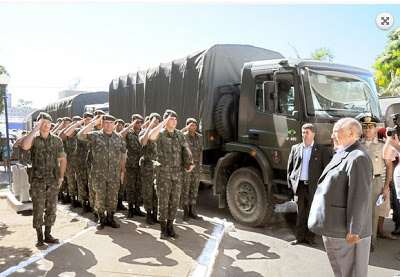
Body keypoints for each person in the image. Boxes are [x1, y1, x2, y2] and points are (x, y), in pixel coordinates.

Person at [308, 117, 373, 277]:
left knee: (351, 273)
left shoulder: (358, 157)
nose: (332, 136)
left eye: (336, 131)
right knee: (341, 272)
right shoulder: (343, 153)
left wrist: (354, 230)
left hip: (347, 233)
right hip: (334, 228)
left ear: (351, 132)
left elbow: (360, 196)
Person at [21, 112, 67, 247]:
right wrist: (35, 129)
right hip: (37, 179)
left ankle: (48, 234)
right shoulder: (34, 139)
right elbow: (24, 146)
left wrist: (61, 177)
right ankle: (39, 235)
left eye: (48, 123)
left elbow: (63, 159)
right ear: (39, 124)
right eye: (43, 123)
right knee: (38, 208)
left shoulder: (56, 140)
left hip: (52, 179)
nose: (46, 125)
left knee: (52, 207)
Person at [149, 110, 194, 239]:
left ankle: (170, 227)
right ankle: (163, 230)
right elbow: (151, 137)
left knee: (174, 202)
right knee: (163, 203)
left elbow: (186, 149)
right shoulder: (161, 134)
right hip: (163, 174)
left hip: (177, 174)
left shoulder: (179, 135)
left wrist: (191, 162)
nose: (173, 122)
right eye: (171, 119)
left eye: (175, 119)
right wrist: (162, 123)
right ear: (165, 121)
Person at [77, 114, 126, 230]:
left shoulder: (119, 137)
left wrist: (123, 171)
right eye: (106, 123)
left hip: (114, 173)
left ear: (114, 125)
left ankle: (110, 218)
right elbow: (80, 135)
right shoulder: (95, 136)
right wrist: (92, 123)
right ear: (102, 124)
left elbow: (123, 155)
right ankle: (101, 219)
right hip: (99, 173)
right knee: (99, 196)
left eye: (111, 123)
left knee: (113, 197)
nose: (108, 125)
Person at [287, 123, 330, 247]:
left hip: (313, 187)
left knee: (312, 214)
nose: (304, 135)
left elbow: (325, 170)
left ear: (313, 134)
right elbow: (290, 167)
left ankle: (310, 238)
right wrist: (290, 182)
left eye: (307, 133)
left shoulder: (321, 150)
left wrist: (323, 187)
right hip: (300, 186)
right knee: (300, 213)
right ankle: (299, 237)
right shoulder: (296, 148)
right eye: (303, 133)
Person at [360, 116, 395, 252]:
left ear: (375, 128)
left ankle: (371, 240)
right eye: (365, 127)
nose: (368, 129)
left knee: (374, 213)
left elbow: (389, 165)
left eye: (370, 127)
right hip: (360, 181)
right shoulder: (357, 144)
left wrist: (386, 186)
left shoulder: (382, 144)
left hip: (375, 180)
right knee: (360, 210)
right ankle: (360, 238)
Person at [63, 112, 94, 214]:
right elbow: (66, 133)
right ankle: (83, 204)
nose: (88, 121)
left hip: (91, 162)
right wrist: (78, 123)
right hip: (79, 162)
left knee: (91, 185)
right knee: (81, 184)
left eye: (90, 119)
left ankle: (91, 204)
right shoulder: (78, 130)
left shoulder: (94, 132)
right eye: (86, 119)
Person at [139, 112, 162, 225]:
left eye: (157, 121)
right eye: (154, 120)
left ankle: (155, 214)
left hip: (158, 168)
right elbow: (143, 142)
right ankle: (148, 214)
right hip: (147, 167)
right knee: (148, 191)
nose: (155, 123)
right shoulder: (144, 132)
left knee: (157, 192)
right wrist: (149, 126)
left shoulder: (161, 134)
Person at [120, 114, 145, 217]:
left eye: (140, 122)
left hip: (141, 164)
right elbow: (120, 135)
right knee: (131, 187)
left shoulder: (143, 132)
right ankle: (130, 209)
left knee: (139, 187)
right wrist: (130, 126)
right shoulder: (129, 132)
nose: (138, 124)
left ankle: (137, 207)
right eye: (136, 122)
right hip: (130, 164)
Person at [181, 118, 204, 221]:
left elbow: (200, 151)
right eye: (191, 125)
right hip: (186, 166)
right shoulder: (183, 136)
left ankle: (192, 210)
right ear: (187, 125)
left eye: (195, 125)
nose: (193, 127)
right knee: (186, 189)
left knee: (194, 189)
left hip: (196, 167)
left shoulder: (199, 137)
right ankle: (185, 212)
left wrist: (200, 164)